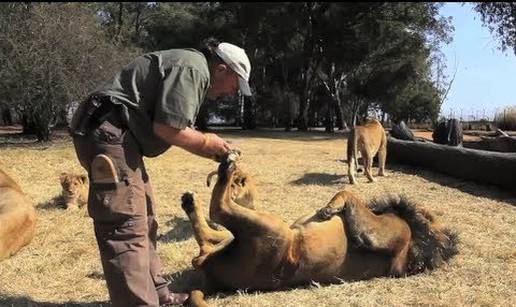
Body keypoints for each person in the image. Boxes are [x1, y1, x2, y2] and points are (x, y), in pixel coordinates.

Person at [70, 38, 252, 307]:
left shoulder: (191, 66)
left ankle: (158, 294)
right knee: (126, 226)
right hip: (110, 133)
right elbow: (168, 128)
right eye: (235, 84)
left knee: (146, 214)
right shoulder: (193, 68)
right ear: (222, 69)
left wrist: (211, 147)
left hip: (120, 136)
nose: (232, 92)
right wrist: (208, 143)